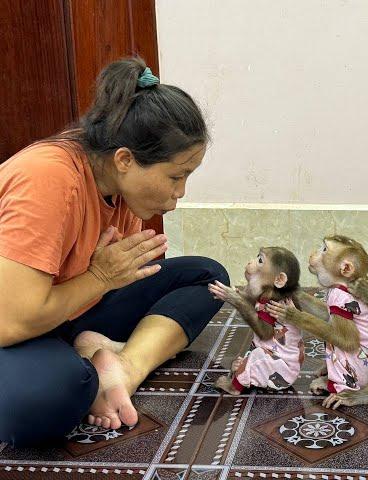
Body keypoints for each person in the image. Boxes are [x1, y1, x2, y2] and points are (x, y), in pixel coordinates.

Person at [0, 57, 229, 447]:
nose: (180, 193)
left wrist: (103, 282)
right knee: (48, 401)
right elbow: (10, 323)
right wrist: (100, 278)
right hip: (13, 325)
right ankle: (86, 360)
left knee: (208, 278)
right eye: (176, 176)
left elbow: (100, 285)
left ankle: (123, 368)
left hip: (66, 313)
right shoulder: (48, 178)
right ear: (125, 159)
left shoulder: (117, 184)